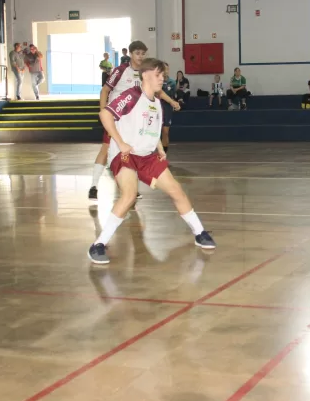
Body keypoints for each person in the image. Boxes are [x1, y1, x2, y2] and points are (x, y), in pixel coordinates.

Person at [88, 57, 216, 264]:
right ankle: (98, 245)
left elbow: (151, 130)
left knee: (177, 191)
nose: (162, 79)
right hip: (125, 156)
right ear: (145, 75)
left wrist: (159, 149)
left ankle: (200, 233)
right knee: (129, 195)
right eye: (158, 75)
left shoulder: (156, 103)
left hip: (147, 157)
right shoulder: (131, 95)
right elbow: (105, 115)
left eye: (163, 75)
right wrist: (120, 142)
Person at [88, 41, 179, 201]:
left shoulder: (147, 72)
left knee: (134, 152)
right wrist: (103, 111)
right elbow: (105, 90)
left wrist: (171, 101)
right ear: (130, 54)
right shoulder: (121, 70)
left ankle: (130, 189)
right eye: (137, 53)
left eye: (143, 53)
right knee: (106, 148)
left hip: (134, 121)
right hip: (117, 118)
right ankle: (94, 186)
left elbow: (158, 92)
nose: (140, 56)